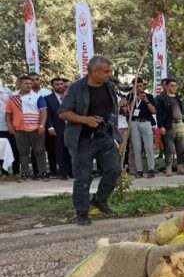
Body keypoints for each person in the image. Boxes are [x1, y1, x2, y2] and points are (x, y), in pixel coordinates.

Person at [58, 56, 121, 225]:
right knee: (83, 178)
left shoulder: (109, 86)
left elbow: (113, 107)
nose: (110, 74)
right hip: (82, 140)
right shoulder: (76, 89)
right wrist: (86, 120)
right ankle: (82, 212)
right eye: (106, 71)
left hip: (104, 137)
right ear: (93, 72)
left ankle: (100, 200)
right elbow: (63, 113)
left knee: (114, 170)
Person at [5, 75, 49, 181]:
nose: (29, 85)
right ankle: (25, 174)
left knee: (39, 151)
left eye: (30, 83)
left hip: (36, 129)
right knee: (23, 153)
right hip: (19, 130)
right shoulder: (13, 98)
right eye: (26, 83)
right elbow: (8, 115)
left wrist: (42, 125)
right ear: (20, 84)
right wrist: (10, 126)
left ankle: (42, 172)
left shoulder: (37, 96)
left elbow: (43, 112)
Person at [156, 78, 184, 176]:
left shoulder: (179, 98)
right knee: (169, 148)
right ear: (166, 86)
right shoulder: (161, 98)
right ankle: (168, 168)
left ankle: (180, 167)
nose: (174, 87)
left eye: (175, 85)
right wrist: (161, 126)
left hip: (180, 124)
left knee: (181, 148)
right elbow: (159, 113)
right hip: (169, 125)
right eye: (172, 85)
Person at [127, 78, 157, 178]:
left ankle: (151, 169)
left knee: (148, 147)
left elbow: (153, 111)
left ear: (143, 86)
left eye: (140, 86)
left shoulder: (149, 96)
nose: (139, 88)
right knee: (137, 148)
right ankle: (139, 170)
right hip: (134, 123)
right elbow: (128, 111)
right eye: (136, 86)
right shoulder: (130, 96)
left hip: (146, 122)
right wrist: (135, 99)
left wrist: (146, 101)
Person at [44, 77, 72, 180]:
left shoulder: (70, 96)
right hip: (57, 128)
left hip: (71, 128)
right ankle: (63, 173)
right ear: (53, 86)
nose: (60, 86)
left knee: (71, 152)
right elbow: (48, 115)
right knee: (60, 152)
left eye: (61, 84)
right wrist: (50, 127)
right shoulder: (48, 98)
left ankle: (72, 172)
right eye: (57, 84)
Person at [0, 82, 19, 176]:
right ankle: (4, 172)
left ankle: (16, 171)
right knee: (1, 150)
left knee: (14, 149)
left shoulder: (7, 91)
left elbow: (14, 106)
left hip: (10, 126)